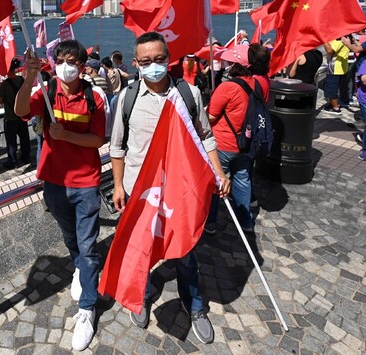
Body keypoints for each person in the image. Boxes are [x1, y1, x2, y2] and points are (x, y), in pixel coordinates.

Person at [109, 32, 230, 344]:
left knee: (186, 251)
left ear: (169, 58)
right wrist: (119, 185)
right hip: (142, 192)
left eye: (159, 59)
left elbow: (205, 136)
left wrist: (218, 172)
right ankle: (142, 295)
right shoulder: (127, 97)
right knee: (142, 250)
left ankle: (196, 305)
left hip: (180, 191)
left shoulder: (187, 94)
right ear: (136, 64)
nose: (153, 66)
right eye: (146, 61)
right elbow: (118, 146)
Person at [14, 39, 107, 352]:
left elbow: (97, 140)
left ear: (82, 66)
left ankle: (87, 310)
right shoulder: (47, 91)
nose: (65, 66)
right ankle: (79, 266)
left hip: (86, 183)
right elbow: (21, 110)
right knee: (71, 239)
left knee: (89, 246)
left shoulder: (95, 97)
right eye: (60, 60)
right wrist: (28, 79)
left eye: (71, 61)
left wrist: (67, 135)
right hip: (54, 181)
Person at [206, 43, 271, 235]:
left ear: (237, 64)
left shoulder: (228, 87)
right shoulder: (260, 83)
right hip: (248, 142)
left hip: (223, 144)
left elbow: (210, 116)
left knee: (217, 181)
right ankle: (245, 220)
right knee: (243, 180)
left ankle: (209, 222)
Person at [0, 58, 31, 169]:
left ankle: (13, 161)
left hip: (10, 116)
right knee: (24, 137)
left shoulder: (5, 84)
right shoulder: (21, 79)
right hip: (22, 114)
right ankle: (26, 157)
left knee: (11, 141)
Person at [322, 35, 363, 115]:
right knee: (343, 86)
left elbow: (329, 50)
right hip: (343, 67)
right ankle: (344, 101)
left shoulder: (340, 40)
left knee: (331, 88)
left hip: (335, 67)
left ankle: (335, 108)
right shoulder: (347, 39)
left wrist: (324, 40)